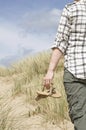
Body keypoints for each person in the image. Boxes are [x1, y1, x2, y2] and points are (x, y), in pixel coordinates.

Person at [43, 0, 86, 130]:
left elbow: (61, 42)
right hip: (75, 73)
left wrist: (50, 71)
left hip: (74, 72)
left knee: (80, 117)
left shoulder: (71, 9)